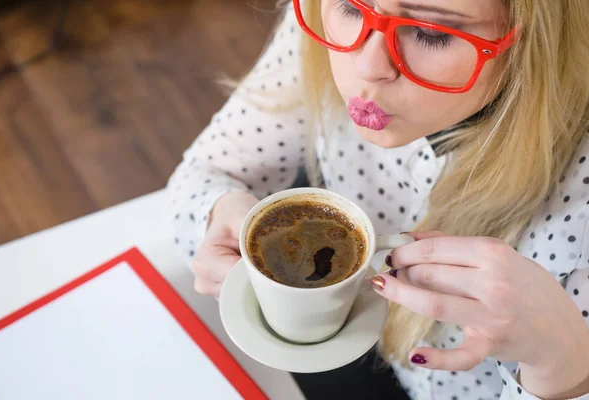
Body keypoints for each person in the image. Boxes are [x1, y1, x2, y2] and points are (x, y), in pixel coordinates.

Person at [166, 0, 589, 398]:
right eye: (352, 6)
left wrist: (562, 364)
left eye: (429, 32)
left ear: (537, 37)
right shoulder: (322, 24)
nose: (367, 67)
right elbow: (204, 175)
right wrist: (217, 214)